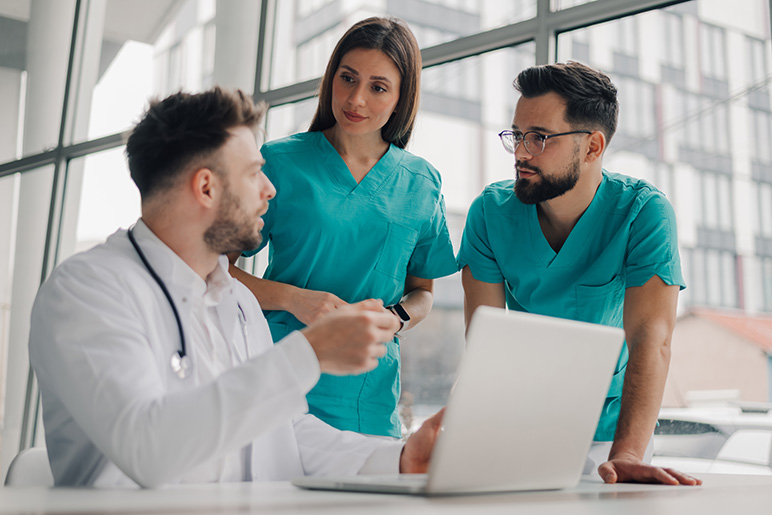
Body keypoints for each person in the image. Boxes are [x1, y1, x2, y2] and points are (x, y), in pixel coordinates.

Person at [28, 87, 442, 488]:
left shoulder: (238, 300)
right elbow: (147, 449)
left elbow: (281, 432)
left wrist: (400, 459)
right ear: (206, 187)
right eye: (253, 173)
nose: (270, 190)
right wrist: (309, 353)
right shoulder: (88, 292)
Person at [457, 62, 700, 486]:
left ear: (592, 147)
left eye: (539, 137)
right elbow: (484, 342)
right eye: (517, 134)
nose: (520, 152)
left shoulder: (643, 213)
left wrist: (625, 455)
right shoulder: (489, 214)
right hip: (518, 426)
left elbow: (651, 340)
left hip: (614, 434)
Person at [232, 17, 457, 438]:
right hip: (281, 373)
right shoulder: (279, 162)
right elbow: (217, 271)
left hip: (368, 393)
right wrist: (295, 300)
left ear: (400, 98)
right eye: (347, 78)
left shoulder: (422, 181)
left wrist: (397, 318)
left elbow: (423, 292)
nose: (356, 99)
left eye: (377, 87)